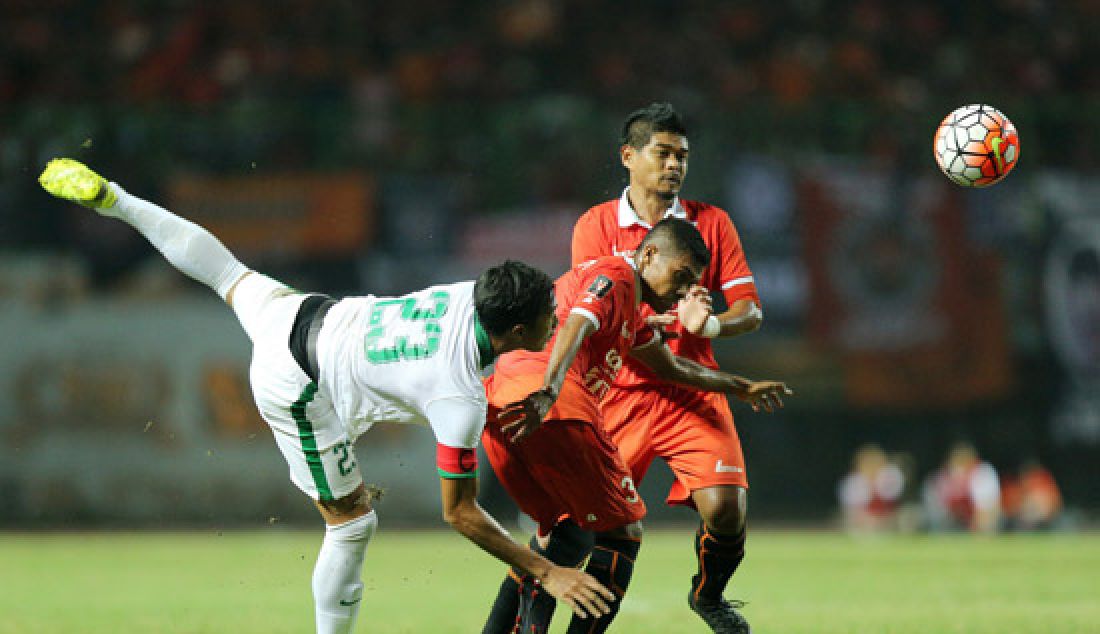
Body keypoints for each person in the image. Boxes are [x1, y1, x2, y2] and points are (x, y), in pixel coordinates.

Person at [38, 158, 616, 634]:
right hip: (295, 384)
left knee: (225, 273)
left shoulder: (474, 294)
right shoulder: (456, 396)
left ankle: (113, 198)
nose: (556, 319)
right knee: (351, 525)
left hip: (304, 309)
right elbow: (459, 513)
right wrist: (546, 571)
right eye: (548, 316)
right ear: (515, 330)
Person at [481, 218, 791, 633]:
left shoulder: (634, 313)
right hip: (548, 403)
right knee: (622, 532)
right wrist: (550, 391)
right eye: (680, 277)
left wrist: (741, 387)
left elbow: (671, 367)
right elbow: (577, 321)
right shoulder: (617, 275)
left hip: (505, 404)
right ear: (648, 255)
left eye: (692, 284)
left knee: (566, 536)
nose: (683, 292)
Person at [565, 102, 763, 632]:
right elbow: (594, 308)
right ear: (629, 156)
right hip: (620, 391)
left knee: (726, 510)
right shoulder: (595, 226)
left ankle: (710, 597)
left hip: (692, 390)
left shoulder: (712, 223)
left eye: (683, 155)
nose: (675, 164)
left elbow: (751, 309)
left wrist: (713, 324)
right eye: (663, 152)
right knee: (584, 529)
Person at [922, 442, 1001, 534]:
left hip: (978, 519)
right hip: (954, 520)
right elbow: (935, 506)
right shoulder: (945, 475)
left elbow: (987, 508)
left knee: (986, 520)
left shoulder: (982, 472)